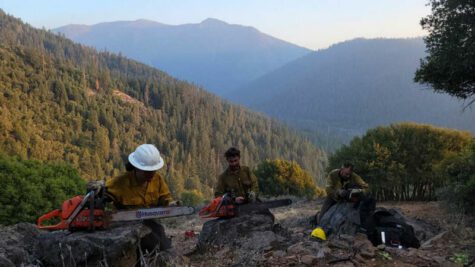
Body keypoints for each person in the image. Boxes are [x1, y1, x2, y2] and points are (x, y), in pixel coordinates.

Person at [105, 144, 173, 251]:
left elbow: (165, 198)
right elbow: (103, 195)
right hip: (125, 224)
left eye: (153, 170)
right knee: (150, 243)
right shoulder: (120, 182)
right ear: (136, 168)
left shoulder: (158, 179)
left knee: (164, 244)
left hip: (150, 221)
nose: (151, 174)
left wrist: (171, 205)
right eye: (147, 171)